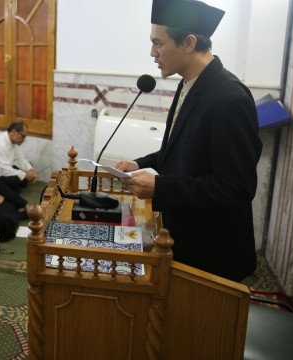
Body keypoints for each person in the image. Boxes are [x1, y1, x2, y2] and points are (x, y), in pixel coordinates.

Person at [114, 0, 262, 282]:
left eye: (158, 43)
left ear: (189, 43)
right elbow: (183, 147)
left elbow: (236, 187)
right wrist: (139, 163)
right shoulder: (189, 82)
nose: (152, 53)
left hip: (210, 255)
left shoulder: (230, 99)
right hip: (181, 237)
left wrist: (160, 186)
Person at [0, 121, 38, 193]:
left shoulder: (13, 141)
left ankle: (15, 186)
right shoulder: (0, 144)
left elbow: (20, 159)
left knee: (28, 165)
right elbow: (4, 170)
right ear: (14, 132)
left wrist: (30, 170)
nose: (24, 140)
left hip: (4, 170)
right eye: (23, 136)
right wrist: (25, 175)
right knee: (15, 180)